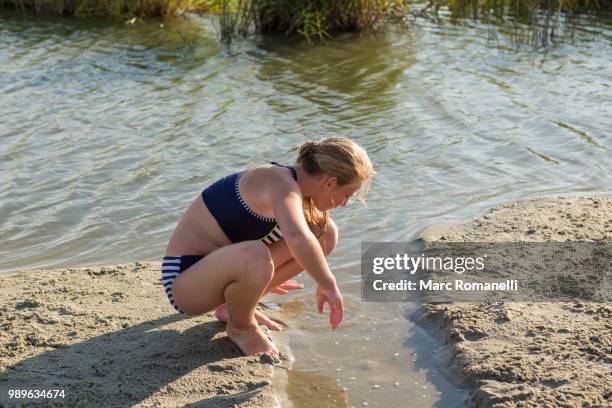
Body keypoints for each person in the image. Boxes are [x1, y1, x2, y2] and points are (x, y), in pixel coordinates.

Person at [162, 137, 374, 357]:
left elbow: (308, 236)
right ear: (329, 182)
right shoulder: (278, 181)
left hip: (215, 271)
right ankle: (241, 327)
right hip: (184, 282)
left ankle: (237, 308)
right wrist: (328, 285)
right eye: (347, 195)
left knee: (324, 233)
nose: (345, 203)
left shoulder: (290, 184)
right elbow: (297, 237)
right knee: (257, 257)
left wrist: (260, 278)